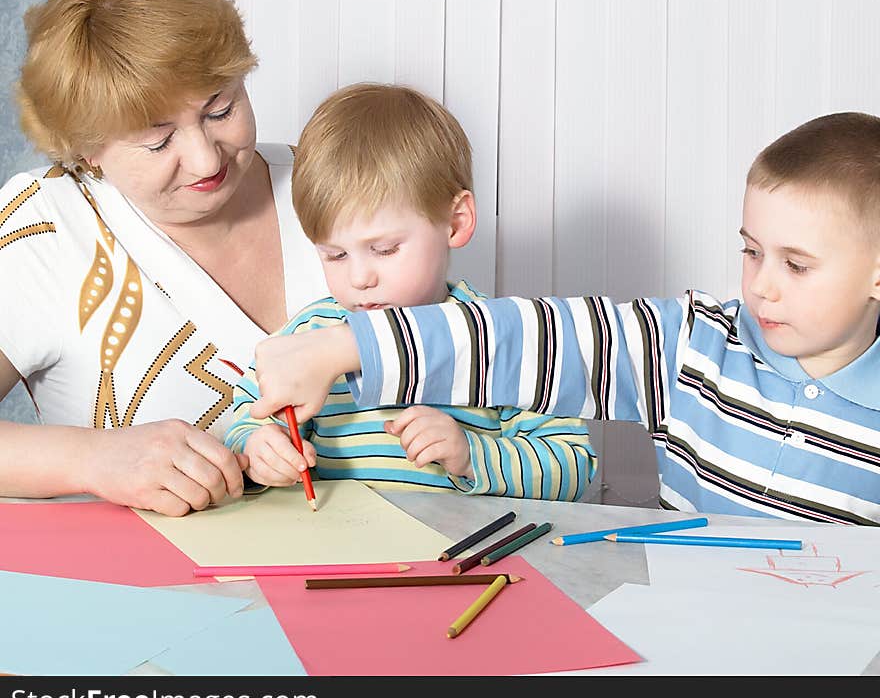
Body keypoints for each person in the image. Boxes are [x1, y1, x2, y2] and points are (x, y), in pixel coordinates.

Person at [249, 111, 880, 525]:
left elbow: (566, 460)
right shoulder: (693, 344)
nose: (761, 287)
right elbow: (523, 340)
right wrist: (340, 346)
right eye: (750, 251)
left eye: (796, 265)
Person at [0, 0, 328, 516]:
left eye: (220, 109)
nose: (206, 159)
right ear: (85, 152)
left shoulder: (333, 183)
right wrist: (90, 459)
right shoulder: (44, 226)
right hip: (140, 591)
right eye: (157, 141)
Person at [226, 83, 597, 500]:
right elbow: (245, 421)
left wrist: (472, 454)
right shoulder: (311, 334)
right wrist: (260, 449)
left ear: (455, 222)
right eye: (334, 255)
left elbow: (572, 466)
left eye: (383, 249)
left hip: (456, 558)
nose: (360, 278)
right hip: (334, 556)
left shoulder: (503, 339)